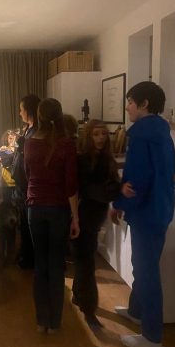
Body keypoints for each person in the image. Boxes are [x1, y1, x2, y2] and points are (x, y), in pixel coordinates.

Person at [112, 81, 175, 347]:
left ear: (144, 103)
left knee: (147, 272)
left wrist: (118, 202)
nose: (127, 107)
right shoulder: (161, 131)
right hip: (161, 209)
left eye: (130, 101)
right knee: (142, 266)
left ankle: (152, 336)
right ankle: (136, 311)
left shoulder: (141, 135)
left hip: (147, 212)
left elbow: (136, 180)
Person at [24, 98, 79, 333]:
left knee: (40, 265)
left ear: (39, 116)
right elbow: (70, 186)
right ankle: (55, 323)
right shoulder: (66, 144)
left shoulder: (29, 142)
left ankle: (41, 321)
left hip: (35, 207)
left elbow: (27, 175)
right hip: (58, 209)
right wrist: (76, 217)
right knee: (56, 265)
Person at [71, 120, 120, 328]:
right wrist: (117, 192)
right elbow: (90, 191)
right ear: (88, 137)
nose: (100, 138)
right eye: (96, 134)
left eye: (104, 134)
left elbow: (109, 187)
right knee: (87, 263)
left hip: (95, 216)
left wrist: (116, 197)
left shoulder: (107, 159)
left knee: (85, 260)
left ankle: (78, 296)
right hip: (81, 216)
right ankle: (89, 310)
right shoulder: (82, 160)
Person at [0, 94, 41, 269]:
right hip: (22, 185)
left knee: (28, 226)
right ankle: (24, 255)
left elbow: (29, 158)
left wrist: (21, 145)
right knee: (23, 223)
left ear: (29, 110)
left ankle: (28, 259)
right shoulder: (29, 130)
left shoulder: (37, 132)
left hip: (28, 185)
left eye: (21, 110)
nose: (20, 113)